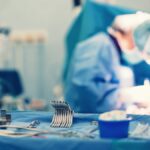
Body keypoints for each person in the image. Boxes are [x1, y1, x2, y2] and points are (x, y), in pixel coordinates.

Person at [64, 12, 150, 113]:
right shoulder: (99, 45)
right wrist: (128, 96)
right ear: (127, 32)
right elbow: (86, 92)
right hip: (83, 120)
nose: (138, 48)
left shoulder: (111, 49)